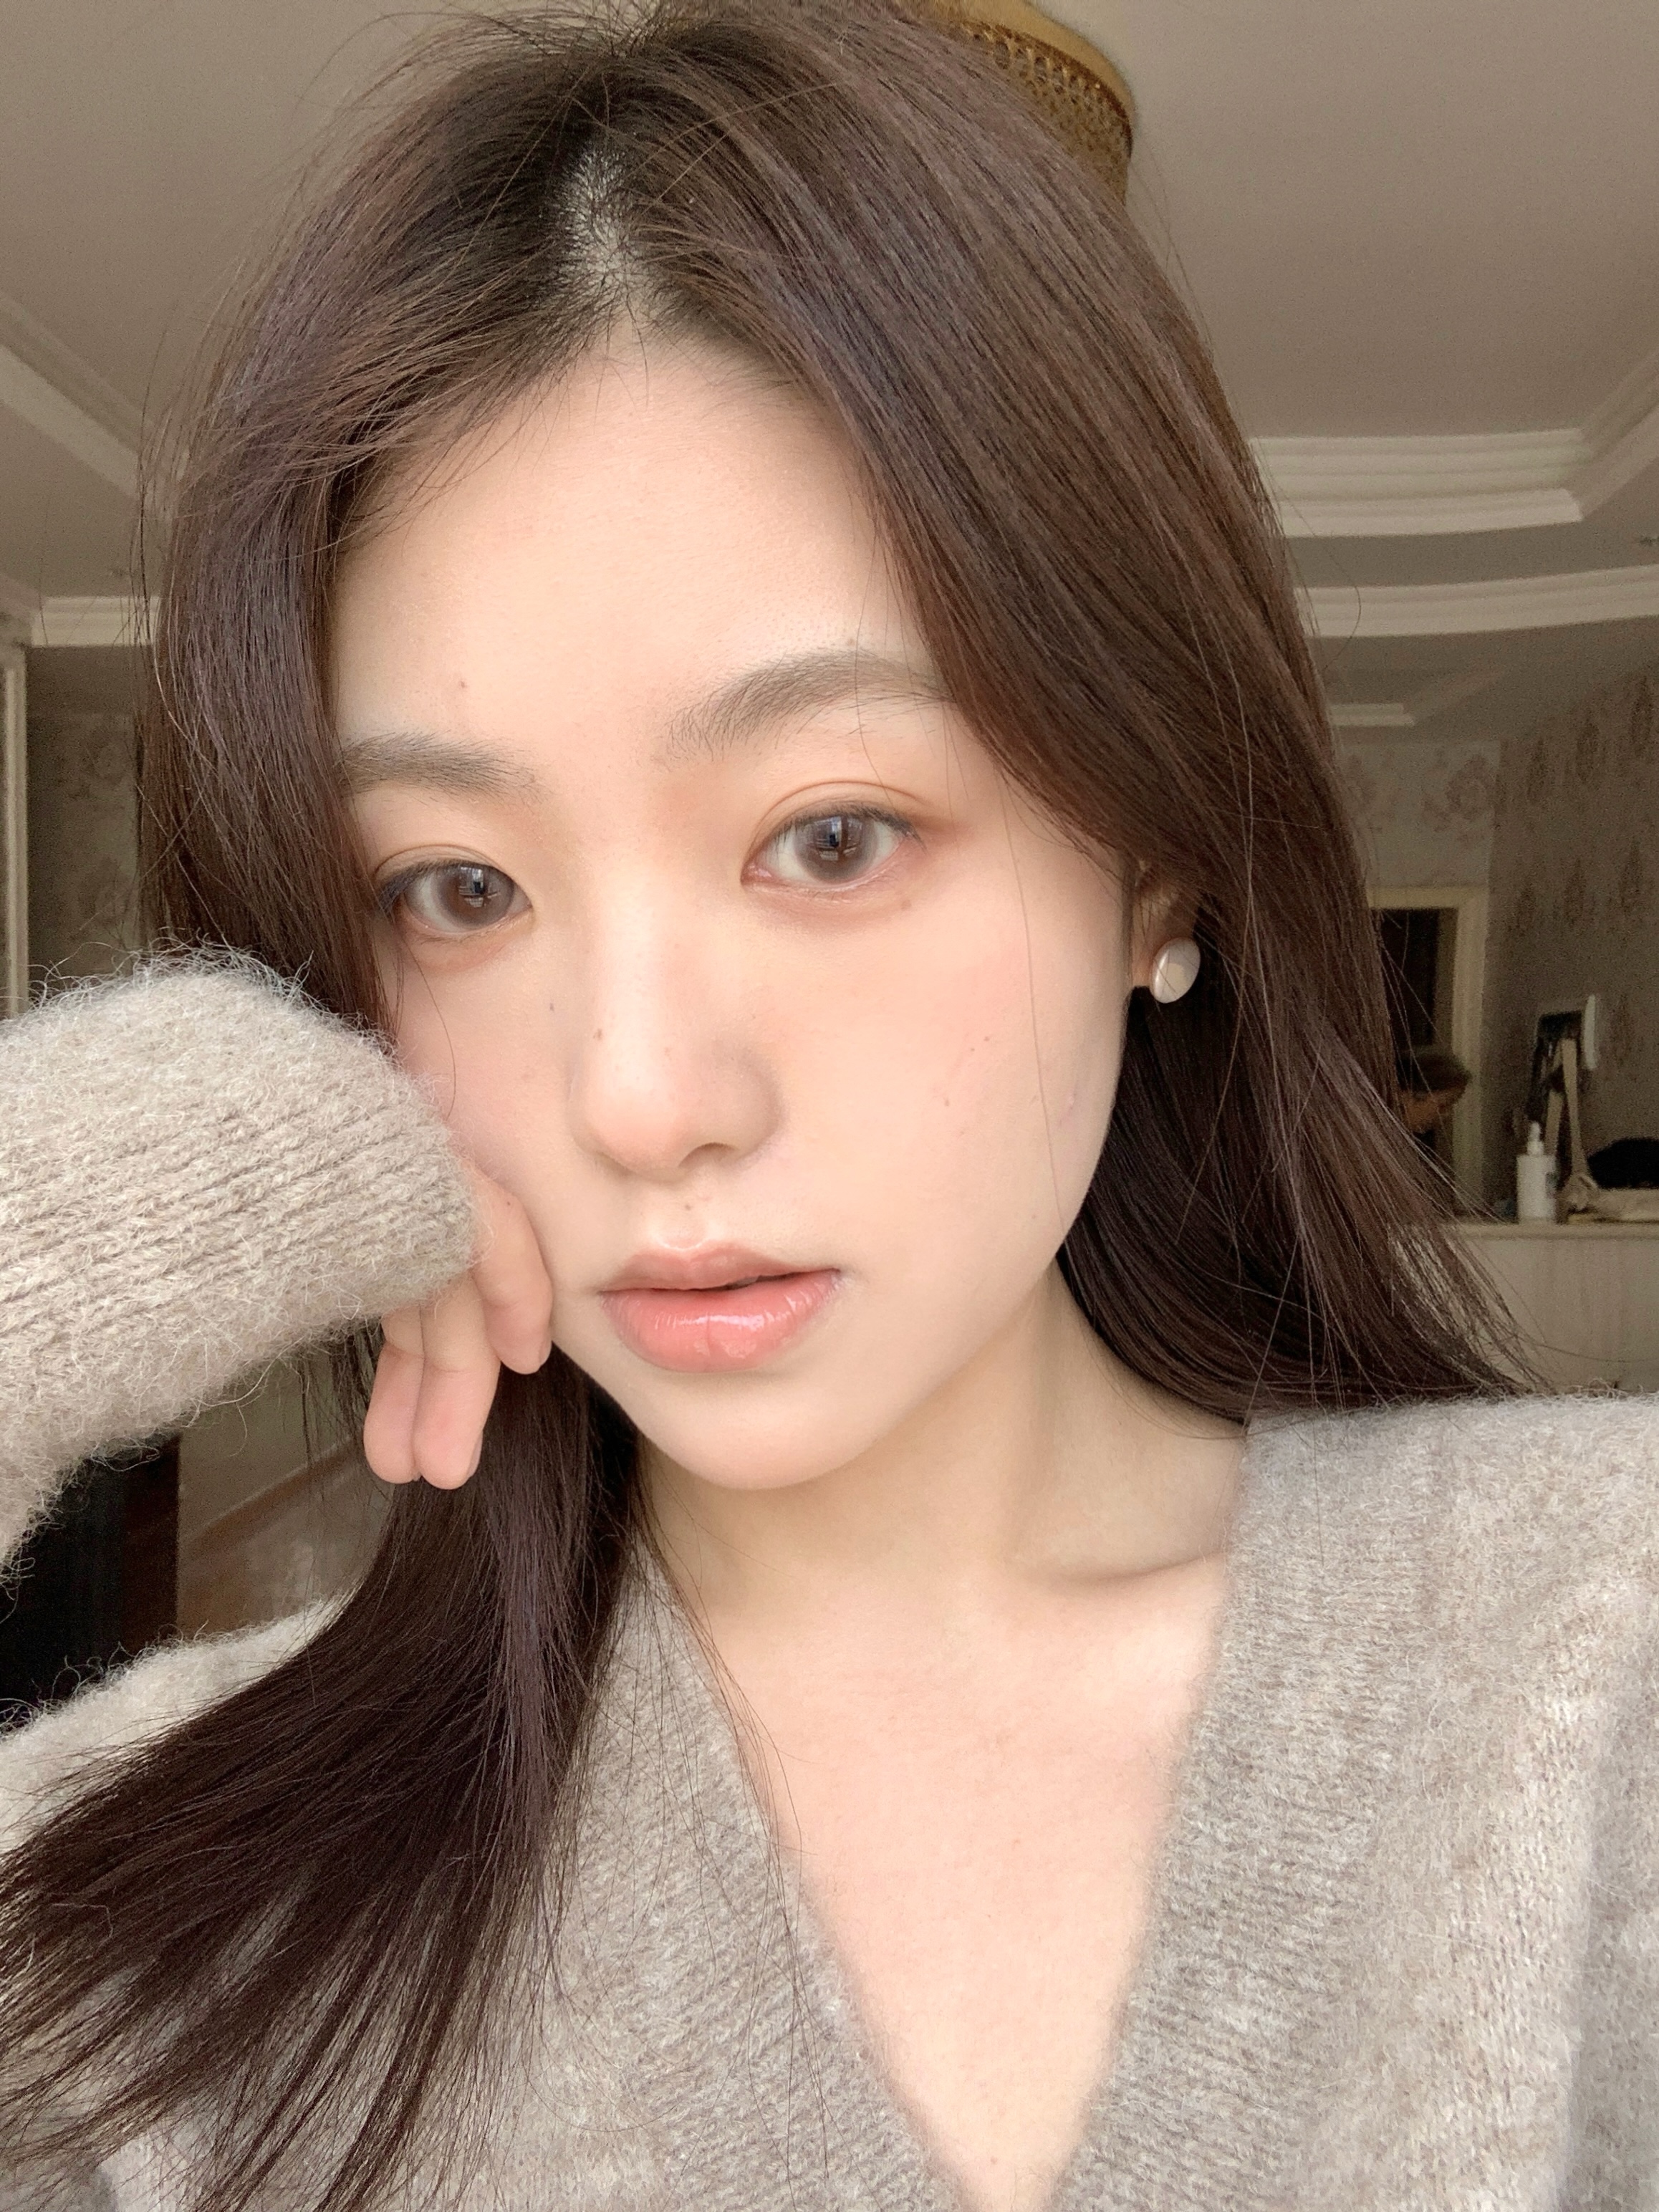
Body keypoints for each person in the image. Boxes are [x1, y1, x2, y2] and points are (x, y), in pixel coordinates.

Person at [1, 5, 1655, 2208]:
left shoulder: (1598, 1656)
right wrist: (71, 1216)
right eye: (456, 890)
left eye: (832, 835)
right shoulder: (140, 1926)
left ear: (1157, 862)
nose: (643, 1099)